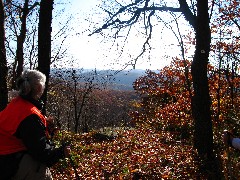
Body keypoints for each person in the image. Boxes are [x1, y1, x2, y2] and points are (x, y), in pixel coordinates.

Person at [0, 69, 70, 180]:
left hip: (6, 160)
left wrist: (46, 130)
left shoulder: (15, 104)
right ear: (38, 88)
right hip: (10, 164)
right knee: (42, 170)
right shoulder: (29, 115)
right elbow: (42, 154)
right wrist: (62, 152)